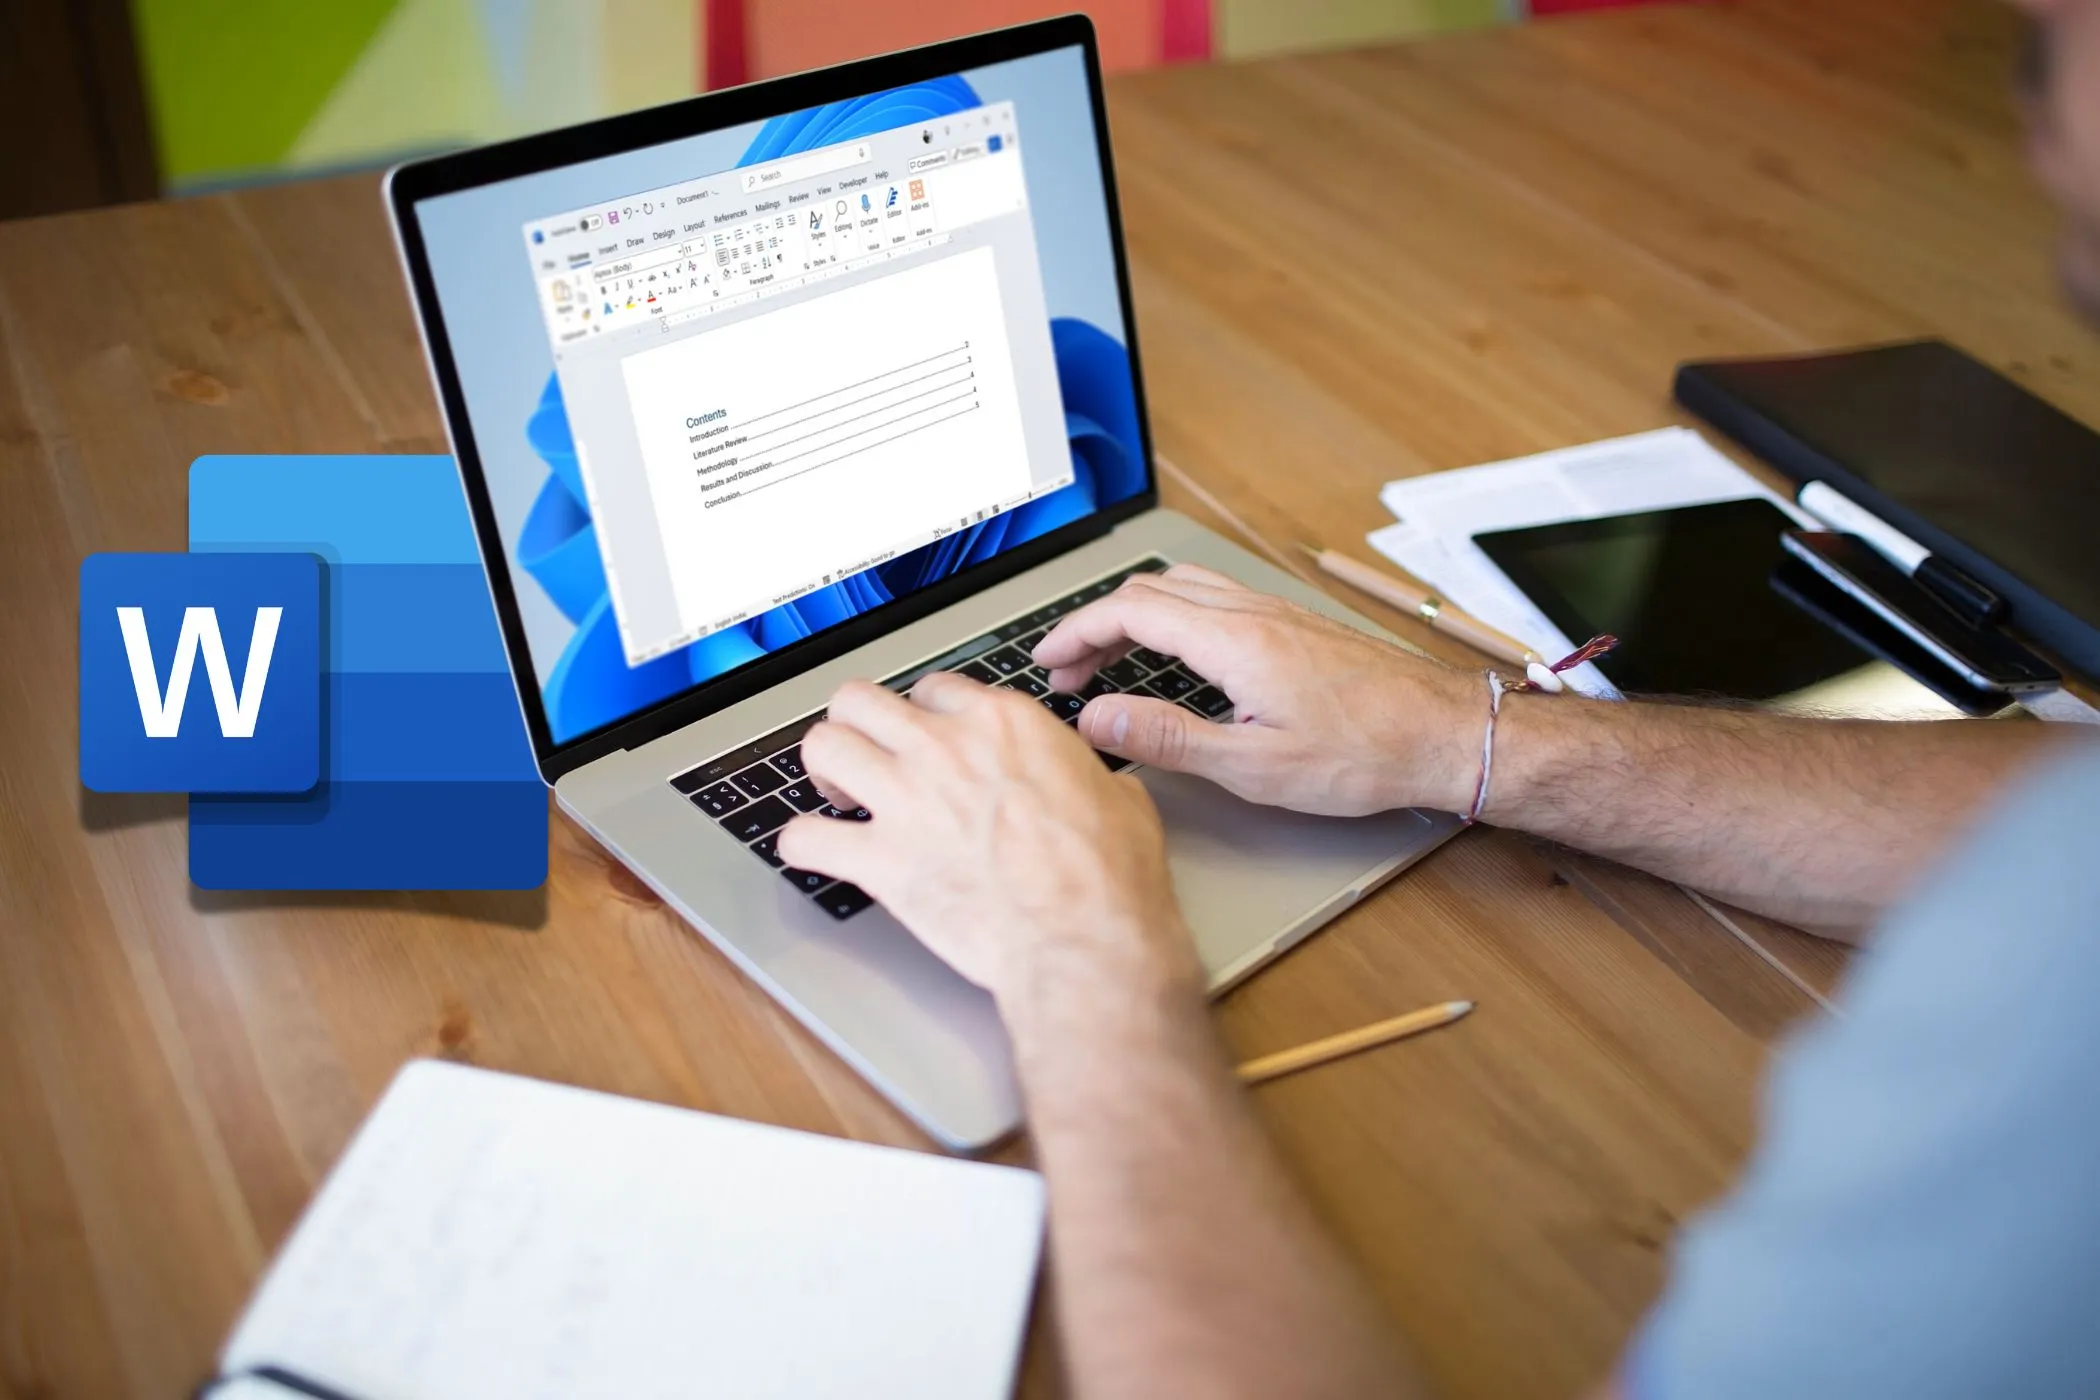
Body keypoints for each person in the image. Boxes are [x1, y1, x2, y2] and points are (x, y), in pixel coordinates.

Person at [777, 2, 2100, 1392]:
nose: (2023, 37)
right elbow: (2052, 819)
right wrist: (1468, 736)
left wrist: (1081, 959)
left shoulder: (2045, 1013)